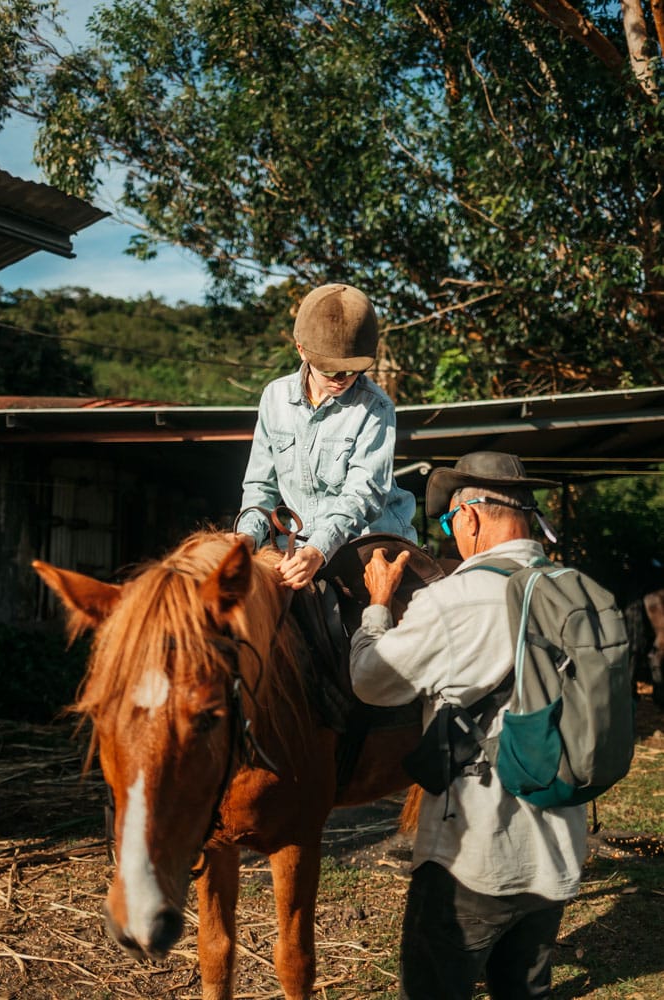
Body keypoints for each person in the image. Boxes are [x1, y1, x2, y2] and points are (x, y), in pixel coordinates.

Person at [349, 451, 588, 1000]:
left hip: (474, 859)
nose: (452, 534)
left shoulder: (452, 599)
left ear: (472, 517)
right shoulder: (575, 588)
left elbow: (370, 679)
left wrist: (378, 608)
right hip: (558, 852)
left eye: (450, 523)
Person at [237, 282, 417, 589]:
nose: (342, 379)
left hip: (364, 541)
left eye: (353, 370)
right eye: (331, 370)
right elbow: (260, 485)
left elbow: (363, 495)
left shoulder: (377, 407)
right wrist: (245, 538)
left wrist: (318, 549)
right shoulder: (274, 398)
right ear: (301, 350)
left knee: (371, 627)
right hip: (293, 543)